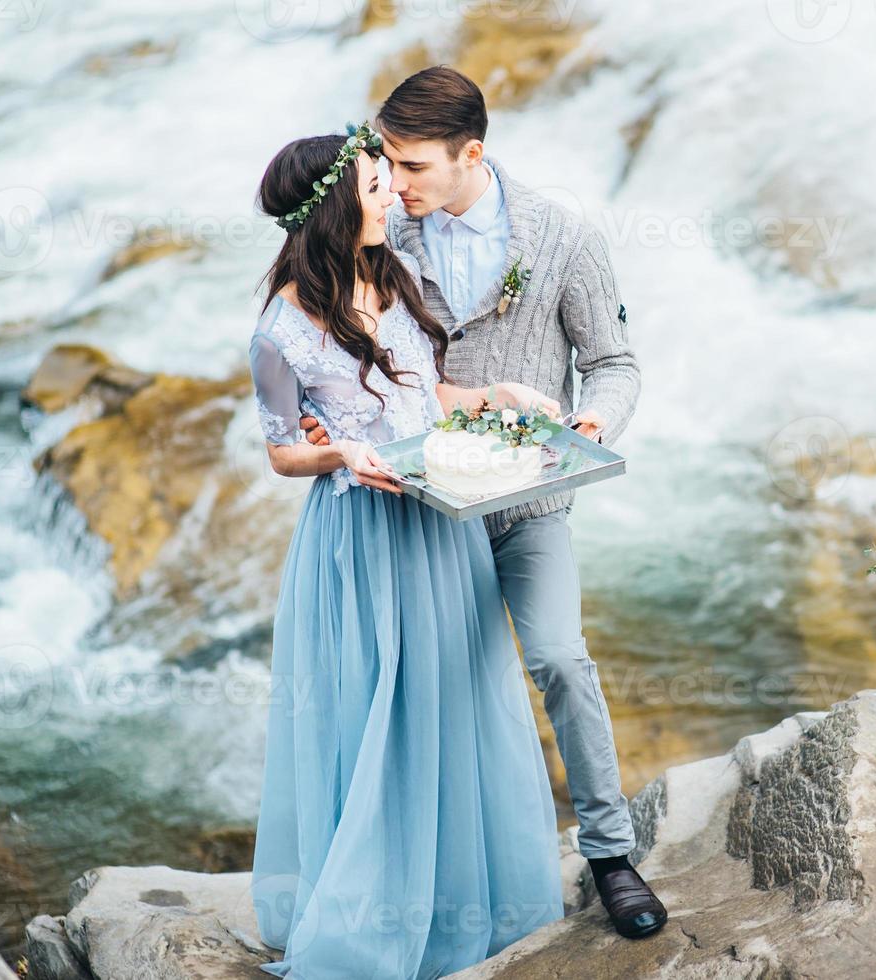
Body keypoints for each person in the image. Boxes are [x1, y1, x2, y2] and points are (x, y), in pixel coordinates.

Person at [297, 66, 666, 939]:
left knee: (561, 660)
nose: (393, 181)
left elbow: (615, 363)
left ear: (473, 153)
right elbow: (330, 341)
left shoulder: (565, 236)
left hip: (530, 504)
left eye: (411, 165)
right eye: (384, 161)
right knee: (423, 698)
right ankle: (416, 886)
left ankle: (610, 855)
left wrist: (590, 421)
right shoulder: (379, 234)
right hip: (420, 518)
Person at [247, 120, 566, 978]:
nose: (394, 193)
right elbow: (282, 450)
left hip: (439, 524)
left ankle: (461, 897)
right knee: (380, 716)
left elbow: (427, 394)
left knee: (455, 704)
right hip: (364, 539)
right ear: (334, 208)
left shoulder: (395, 271)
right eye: (376, 184)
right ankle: (375, 920)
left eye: (393, 178)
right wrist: (341, 452)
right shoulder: (281, 331)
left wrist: (494, 393)